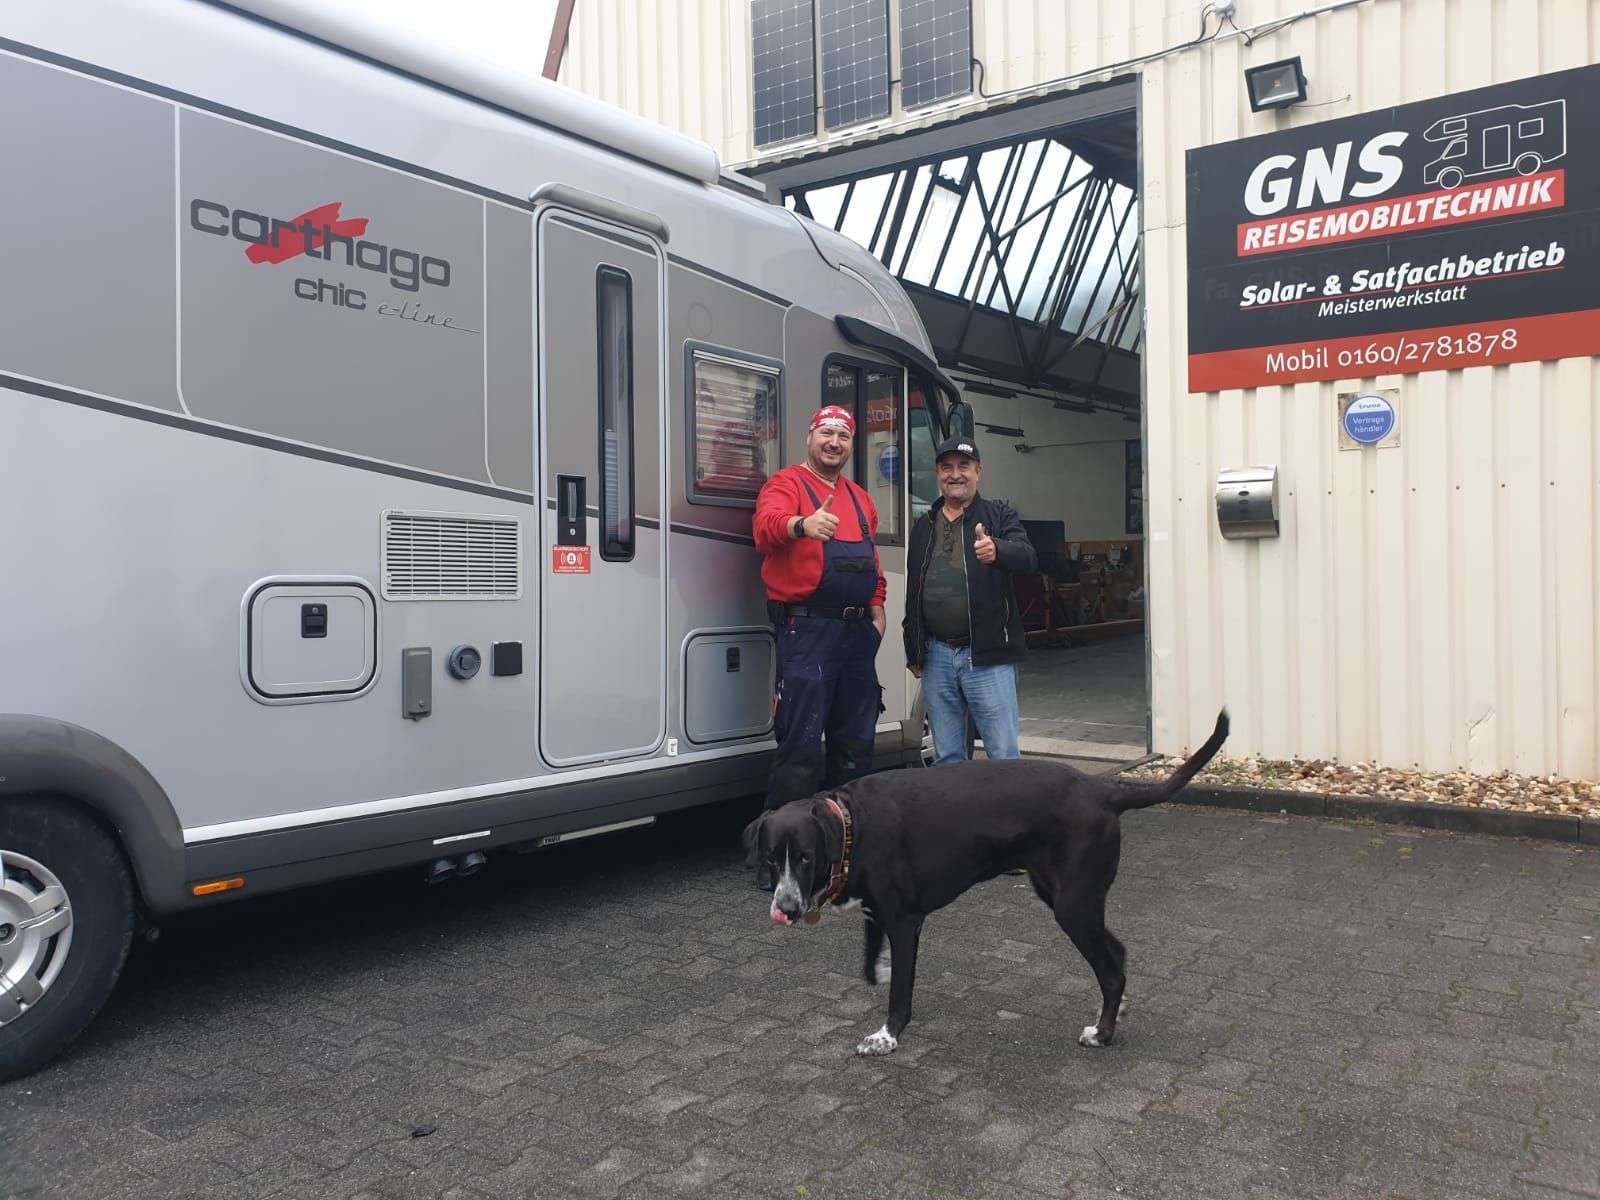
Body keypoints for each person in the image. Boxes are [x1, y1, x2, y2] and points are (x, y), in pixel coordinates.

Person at [753, 404, 887, 827]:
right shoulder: (785, 483)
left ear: (851, 444)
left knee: (855, 745)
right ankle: (783, 853)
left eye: (843, 436)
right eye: (826, 433)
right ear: (810, 437)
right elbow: (764, 527)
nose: (834, 442)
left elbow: (874, 564)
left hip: (857, 635)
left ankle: (843, 845)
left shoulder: (860, 498)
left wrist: (877, 612)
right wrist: (802, 525)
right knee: (801, 746)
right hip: (806, 631)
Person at [903, 436, 1036, 765]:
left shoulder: (999, 516)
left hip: (987, 657)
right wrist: (913, 647)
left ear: (979, 471)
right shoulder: (923, 525)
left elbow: (1028, 557)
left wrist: (998, 550)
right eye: (947, 467)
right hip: (936, 657)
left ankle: (1012, 818)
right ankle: (957, 818)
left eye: (964, 466)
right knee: (948, 757)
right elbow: (914, 590)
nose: (955, 474)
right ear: (937, 474)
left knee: (1002, 755)